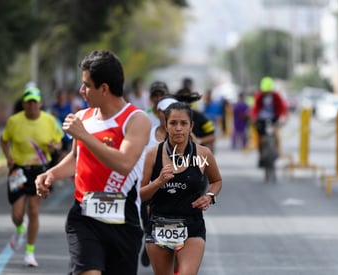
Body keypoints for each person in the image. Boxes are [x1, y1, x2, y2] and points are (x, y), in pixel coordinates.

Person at [35, 50, 151, 275]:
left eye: (87, 85)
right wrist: (51, 174)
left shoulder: (136, 120)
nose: (81, 91)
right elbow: (76, 158)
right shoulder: (83, 118)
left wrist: (85, 136)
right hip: (84, 216)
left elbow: (125, 163)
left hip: (123, 221)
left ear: (104, 89)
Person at [140, 101, 222, 275]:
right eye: (173, 123)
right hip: (159, 225)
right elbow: (140, 194)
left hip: (191, 226)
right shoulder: (153, 154)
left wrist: (209, 196)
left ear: (191, 126)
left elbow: (216, 181)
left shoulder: (202, 154)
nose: (178, 128)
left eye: (183, 123)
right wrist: (158, 182)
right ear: (166, 125)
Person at [0, 86, 63, 267]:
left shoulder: (50, 121)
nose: (32, 105)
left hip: (40, 169)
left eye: (35, 101)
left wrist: (55, 148)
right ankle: (19, 229)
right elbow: (4, 140)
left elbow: (60, 143)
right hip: (18, 171)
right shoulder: (14, 121)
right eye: (29, 102)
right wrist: (8, 157)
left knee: (34, 209)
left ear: (40, 103)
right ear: (24, 104)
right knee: (17, 214)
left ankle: (29, 252)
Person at [140, 95, 178, 267]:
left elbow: (200, 158)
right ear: (159, 113)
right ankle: (150, 240)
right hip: (151, 188)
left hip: (177, 191)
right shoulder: (148, 134)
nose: (169, 116)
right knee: (149, 221)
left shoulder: (183, 135)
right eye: (165, 112)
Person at [250, 76, 288, 172]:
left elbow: (283, 107)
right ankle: (261, 154)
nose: (267, 93)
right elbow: (254, 108)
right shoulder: (259, 96)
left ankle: (276, 151)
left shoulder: (276, 96)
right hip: (261, 119)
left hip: (273, 118)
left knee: (276, 133)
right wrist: (253, 118)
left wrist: (283, 118)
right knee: (260, 138)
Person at [175, 77, 216, 153]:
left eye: (187, 101)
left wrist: (198, 141)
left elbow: (212, 136)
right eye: (181, 101)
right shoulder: (169, 118)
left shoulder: (200, 118)